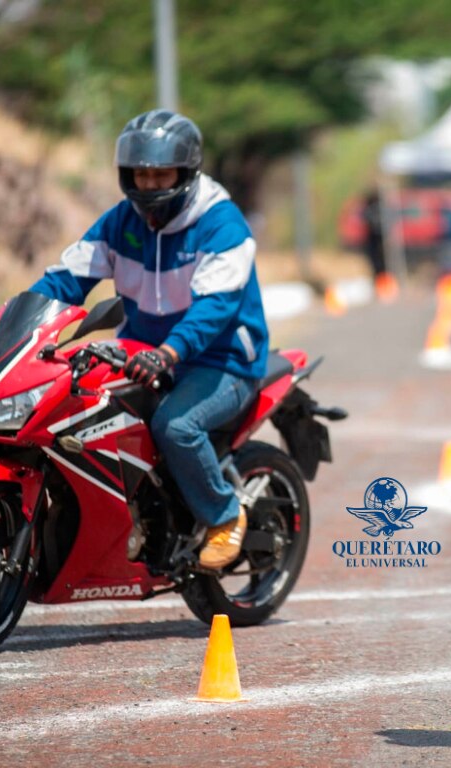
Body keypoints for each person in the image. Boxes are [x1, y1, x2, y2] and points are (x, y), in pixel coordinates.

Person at [31, 109, 269, 570]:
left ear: (186, 172)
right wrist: (10, 321)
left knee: (176, 428)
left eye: (162, 173)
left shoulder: (222, 225)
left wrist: (170, 352)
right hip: (141, 353)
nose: (151, 184)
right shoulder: (120, 223)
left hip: (222, 362)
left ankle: (224, 514)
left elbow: (214, 309)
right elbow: (65, 279)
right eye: (141, 174)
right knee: (70, 407)